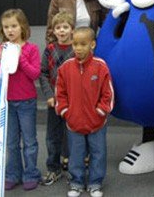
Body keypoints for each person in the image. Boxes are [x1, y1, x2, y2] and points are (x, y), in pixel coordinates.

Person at [55, 27, 114, 197]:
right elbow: (60, 92)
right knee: (76, 154)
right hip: (74, 123)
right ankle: (76, 182)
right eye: (75, 44)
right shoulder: (65, 68)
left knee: (98, 153)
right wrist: (66, 111)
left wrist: (100, 112)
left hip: (97, 123)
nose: (78, 48)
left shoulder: (100, 67)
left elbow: (108, 93)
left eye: (83, 44)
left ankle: (95, 183)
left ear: (92, 44)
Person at [0, 8, 41, 191]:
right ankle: (13, 174)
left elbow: (34, 74)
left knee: (29, 142)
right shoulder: (1, 48)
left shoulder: (31, 49)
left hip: (27, 101)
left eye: (14, 26)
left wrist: (21, 58)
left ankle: (31, 173)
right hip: (7, 102)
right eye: (6, 27)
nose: (10, 30)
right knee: (11, 143)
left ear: (22, 27)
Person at [39, 9, 75, 185]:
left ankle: (73, 167)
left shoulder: (77, 49)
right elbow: (43, 73)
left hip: (72, 102)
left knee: (72, 134)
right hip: (54, 101)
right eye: (58, 27)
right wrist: (49, 95)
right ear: (53, 31)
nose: (61, 31)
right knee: (53, 136)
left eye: (65, 27)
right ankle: (53, 168)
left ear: (72, 29)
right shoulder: (49, 49)